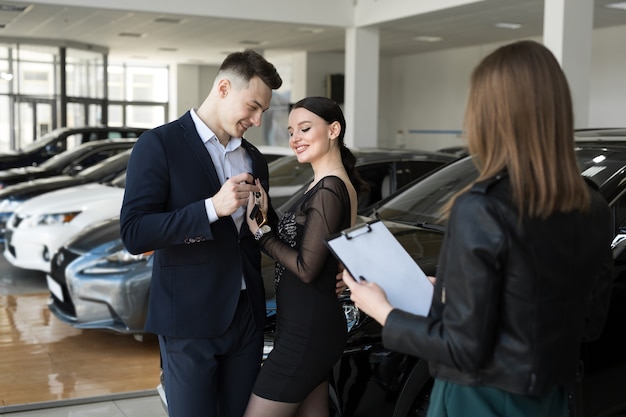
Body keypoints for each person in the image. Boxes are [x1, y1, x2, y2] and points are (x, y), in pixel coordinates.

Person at [342, 40, 615, 417]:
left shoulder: (483, 205)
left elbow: (462, 347)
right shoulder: (594, 207)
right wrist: (455, 292)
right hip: (553, 398)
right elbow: (585, 322)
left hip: (480, 399)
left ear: (490, 114)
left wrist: (383, 311)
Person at [119, 49, 282, 417]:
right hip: (188, 320)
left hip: (247, 317)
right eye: (253, 107)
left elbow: (262, 229)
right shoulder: (158, 144)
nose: (257, 120)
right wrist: (211, 208)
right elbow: (134, 233)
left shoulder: (254, 158)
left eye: (263, 112)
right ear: (223, 87)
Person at [243, 96, 368, 417]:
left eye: (305, 128)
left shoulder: (329, 189)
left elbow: (307, 267)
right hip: (307, 327)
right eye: (290, 131)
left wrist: (261, 233)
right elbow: (314, 245)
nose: (295, 138)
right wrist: (268, 214)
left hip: (307, 333)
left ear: (333, 130)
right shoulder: (325, 185)